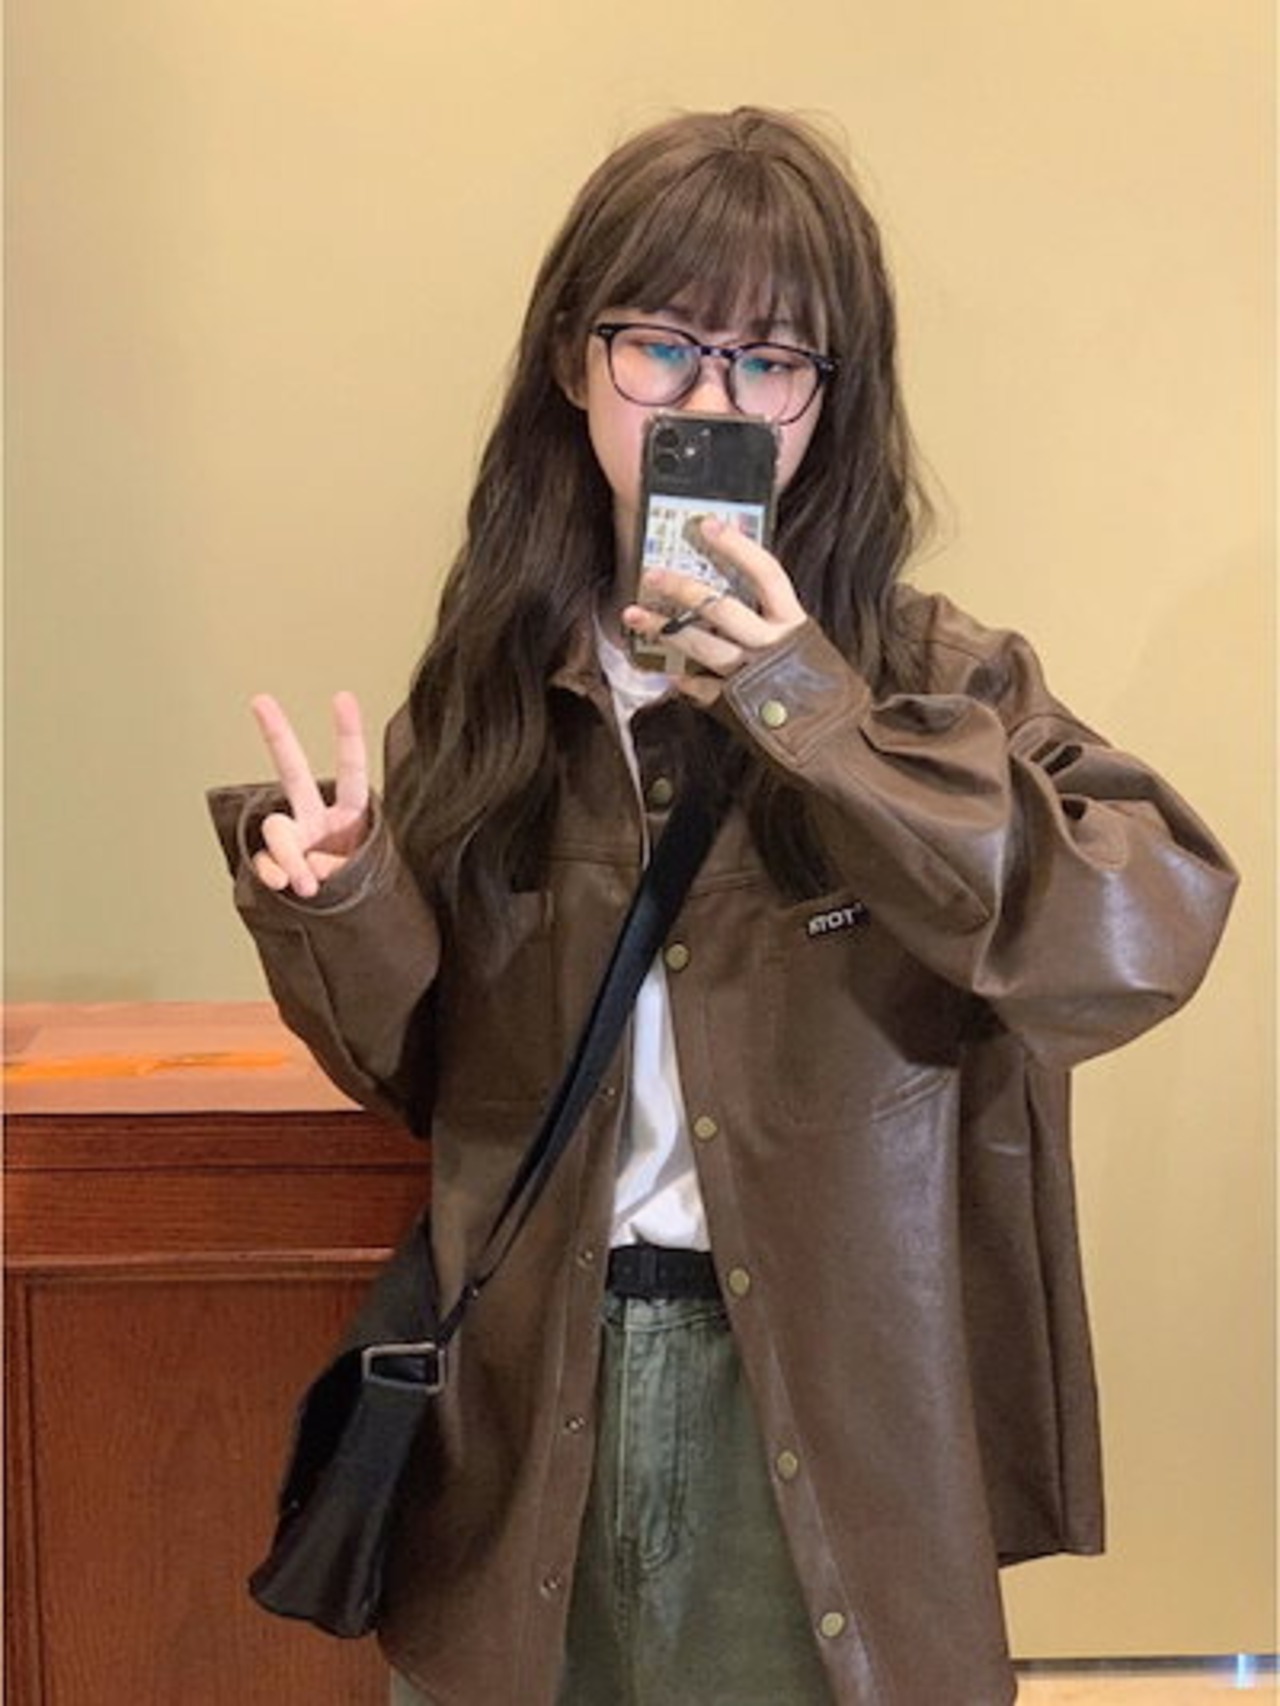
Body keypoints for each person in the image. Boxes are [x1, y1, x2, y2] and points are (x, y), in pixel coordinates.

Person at [211, 107, 1236, 1706]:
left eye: (770, 360)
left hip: (818, 1403)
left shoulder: (928, 680)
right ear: (575, 363)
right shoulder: (498, 693)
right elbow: (431, 1077)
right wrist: (340, 896)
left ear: (831, 397)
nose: (714, 401)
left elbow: (1137, 931)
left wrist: (805, 708)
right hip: (529, 1391)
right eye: (665, 346)